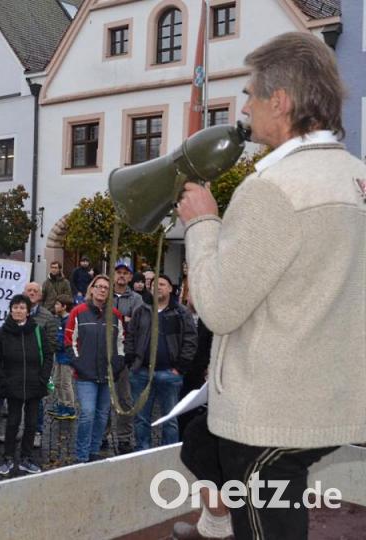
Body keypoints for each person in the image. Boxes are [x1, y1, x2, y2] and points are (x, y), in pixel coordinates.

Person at [172, 32, 366, 540]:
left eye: (251, 93)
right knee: (200, 443)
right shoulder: (356, 177)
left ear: (279, 102)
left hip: (271, 416)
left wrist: (201, 223)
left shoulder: (272, 190)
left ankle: (218, 523)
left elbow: (216, 308)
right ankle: (216, 522)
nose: (244, 104)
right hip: (332, 398)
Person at [126, 275, 197, 451]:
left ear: (170, 289)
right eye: (154, 284)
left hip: (169, 374)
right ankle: (142, 453)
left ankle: (168, 454)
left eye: (162, 284)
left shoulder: (181, 313)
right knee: (141, 418)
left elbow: (190, 340)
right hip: (141, 373)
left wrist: (180, 367)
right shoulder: (141, 311)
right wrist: (131, 360)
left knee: (170, 419)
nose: (158, 287)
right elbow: (131, 336)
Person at [65, 275, 125, 464]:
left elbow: (121, 342)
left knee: (102, 415)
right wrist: (79, 364)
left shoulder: (115, 315)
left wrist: (117, 365)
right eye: (98, 286)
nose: (102, 290)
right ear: (91, 289)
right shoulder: (78, 312)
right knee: (88, 414)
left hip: (108, 374)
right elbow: (69, 342)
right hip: (85, 375)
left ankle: (94, 450)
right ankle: (81, 454)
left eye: (106, 288)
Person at [0, 295, 51, 476]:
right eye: (15, 307)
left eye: (22, 307)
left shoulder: (38, 331)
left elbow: (48, 356)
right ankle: (8, 457)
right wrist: (3, 379)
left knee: (32, 423)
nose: (18, 310)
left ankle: (26, 457)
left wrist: (43, 377)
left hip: (34, 384)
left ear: (28, 311)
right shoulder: (2, 332)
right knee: (12, 423)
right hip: (12, 385)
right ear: (10, 310)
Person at [108, 259, 144, 455]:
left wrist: (122, 321)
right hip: (104, 353)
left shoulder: (136, 299)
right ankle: (102, 434)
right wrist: (124, 319)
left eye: (125, 273)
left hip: (125, 356)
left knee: (125, 399)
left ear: (130, 276)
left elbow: (137, 326)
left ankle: (123, 438)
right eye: (118, 272)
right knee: (104, 398)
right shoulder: (106, 295)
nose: (121, 275)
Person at [22, 281, 58, 450]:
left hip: (37, 367)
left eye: (35, 291)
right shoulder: (17, 312)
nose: (32, 293)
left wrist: (44, 369)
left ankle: (37, 431)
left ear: (41, 295)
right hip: (19, 367)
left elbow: (51, 344)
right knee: (17, 400)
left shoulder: (47, 317)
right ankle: (21, 430)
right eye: (29, 290)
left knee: (36, 402)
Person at [46, 295, 76, 420]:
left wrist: (55, 345)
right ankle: (61, 404)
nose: (55, 306)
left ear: (64, 307)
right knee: (57, 381)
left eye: (58, 304)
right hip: (59, 357)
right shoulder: (60, 319)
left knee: (65, 384)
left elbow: (67, 340)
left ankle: (69, 408)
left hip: (66, 358)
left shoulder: (69, 321)